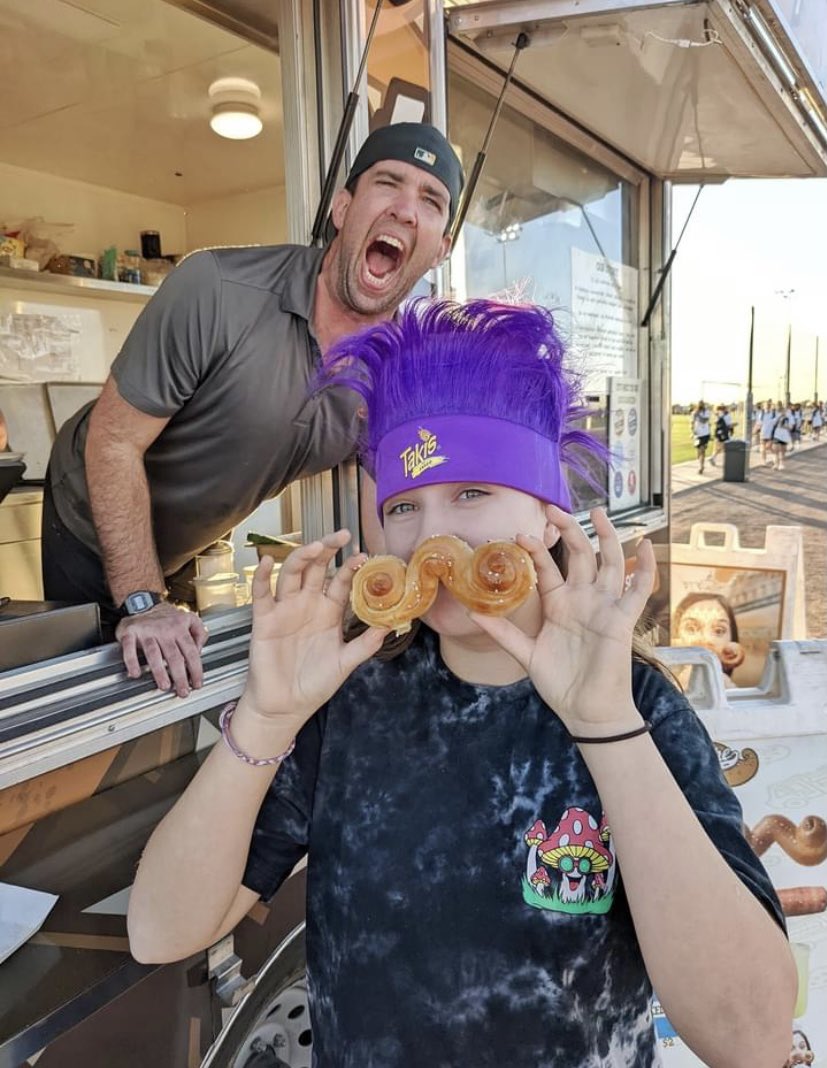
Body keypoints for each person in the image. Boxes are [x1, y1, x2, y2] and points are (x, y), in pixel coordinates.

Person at [128, 300, 796, 1066]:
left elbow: (750, 1040)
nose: (430, 536)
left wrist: (602, 723)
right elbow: (163, 932)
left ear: (548, 519)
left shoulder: (638, 707)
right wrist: (265, 717)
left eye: (472, 492)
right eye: (403, 505)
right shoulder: (348, 701)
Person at [41, 122, 464, 697]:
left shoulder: (399, 369)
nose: (406, 210)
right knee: (94, 695)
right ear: (343, 207)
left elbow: (379, 492)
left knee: (179, 678)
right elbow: (113, 441)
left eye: (431, 200)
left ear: (441, 248)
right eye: (389, 183)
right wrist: (143, 602)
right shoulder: (215, 290)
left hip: (191, 538)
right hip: (88, 514)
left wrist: (402, 607)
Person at [672, 591, 744, 689]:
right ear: (676, 636)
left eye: (719, 631)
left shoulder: (727, 686)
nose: (706, 639)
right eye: (691, 628)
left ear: (731, 638)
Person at [690, 400, 711, 474]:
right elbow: (692, 423)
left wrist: (698, 415)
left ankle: (701, 466)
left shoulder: (707, 412)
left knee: (702, 450)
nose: (701, 406)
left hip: (705, 434)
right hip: (697, 434)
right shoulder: (694, 413)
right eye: (700, 404)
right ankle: (700, 462)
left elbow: (704, 421)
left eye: (702, 404)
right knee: (699, 452)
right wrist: (692, 432)